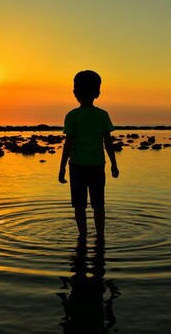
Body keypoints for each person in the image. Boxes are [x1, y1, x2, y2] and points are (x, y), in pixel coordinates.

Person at [58, 70, 119, 238]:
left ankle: (82, 237)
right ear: (97, 93)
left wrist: (62, 168)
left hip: (77, 166)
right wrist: (114, 164)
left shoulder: (72, 116)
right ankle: (100, 237)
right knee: (99, 204)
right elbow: (108, 143)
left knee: (79, 205)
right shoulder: (102, 115)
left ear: (75, 93)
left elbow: (68, 145)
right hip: (97, 166)